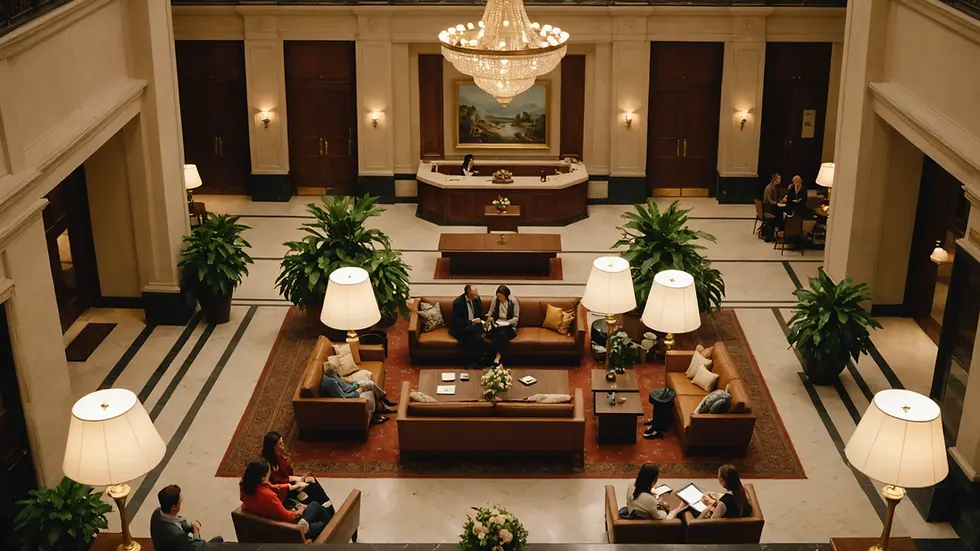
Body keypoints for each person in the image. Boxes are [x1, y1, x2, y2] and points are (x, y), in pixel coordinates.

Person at [240, 460, 332, 541]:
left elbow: (272, 486)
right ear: (262, 477)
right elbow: (288, 517)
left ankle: (307, 526)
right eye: (269, 472)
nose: (270, 473)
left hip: (268, 525)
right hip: (289, 529)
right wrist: (301, 510)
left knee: (314, 512)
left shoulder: (245, 487)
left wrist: (290, 486)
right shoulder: (270, 497)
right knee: (317, 510)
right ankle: (310, 529)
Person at [262, 431, 331, 507]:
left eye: (282, 442)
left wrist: (290, 467)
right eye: (280, 444)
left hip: (289, 483)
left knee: (311, 480)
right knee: (307, 487)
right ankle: (318, 505)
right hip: (282, 490)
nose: (283, 445)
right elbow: (278, 482)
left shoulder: (280, 455)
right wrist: (297, 480)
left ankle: (325, 502)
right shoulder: (268, 464)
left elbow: (288, 472)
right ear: (273, 447)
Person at [319, 361, 396, 425]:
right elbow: (343, 397)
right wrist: (357, 391)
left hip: (350, 386)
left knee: (366, 373)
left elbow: (341, 380)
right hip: (351, 393)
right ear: (334, 370)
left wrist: (352, 382)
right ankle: (379, 408)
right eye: (337, 370)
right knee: (370, 385)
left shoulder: (330, 374)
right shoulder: (331, 383)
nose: (338, 371)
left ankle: (382, 402)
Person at [150, 485, 223, 550]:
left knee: (218, 540)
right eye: (180, 503)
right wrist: (196, 532)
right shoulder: (178, 536)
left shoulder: (157, 512)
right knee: (219, 541)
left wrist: (189, 527)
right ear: (173, 508)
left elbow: (177, 523)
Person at [621, 463, 686, 520]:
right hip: (648, 526)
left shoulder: (632, 483)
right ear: (652, 482)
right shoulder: (649, 499)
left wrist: (659, 503)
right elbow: (665, 519)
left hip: (634, 510)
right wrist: (677, 509)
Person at [450, 284, 486, 369]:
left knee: (476, 337)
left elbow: (480, 315)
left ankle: (473, 363)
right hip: (462, 327)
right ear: (469, 295)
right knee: (472, 335)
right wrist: (471, 321)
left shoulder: (477, 300)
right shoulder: (458, 303)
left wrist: (485, 320)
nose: (477, 295)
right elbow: (456, 321)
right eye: (475, 294)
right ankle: (476, 361)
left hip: (474, 328)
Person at [485, 285, 519, 366]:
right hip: (497, 324)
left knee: (501, 333)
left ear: (506, 295)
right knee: (499, 332)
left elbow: (516, 317)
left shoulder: (513, 301)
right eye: (498, 296)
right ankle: (498, 359)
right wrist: (488, 317)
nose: (499, 298)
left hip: (509, 326)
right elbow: (491, 311)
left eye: (501, 296)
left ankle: (496, 357)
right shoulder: (495, 300)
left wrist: (507, 322)